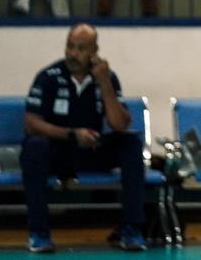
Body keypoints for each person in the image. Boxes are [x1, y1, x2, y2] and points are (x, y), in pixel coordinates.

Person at [21, 22, 147, 252]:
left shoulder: (106, 78)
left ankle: (131, 230)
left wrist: (104, 82)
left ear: (94, 51)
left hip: (91, 150)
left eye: (80, 48)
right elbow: (31, 123)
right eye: (69, 46)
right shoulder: (49, 77)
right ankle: (38, 232)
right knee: (34, 146)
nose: (72, 53)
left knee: (129, 143)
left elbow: (119, 124)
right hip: (57, 152)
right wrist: (70, 135)